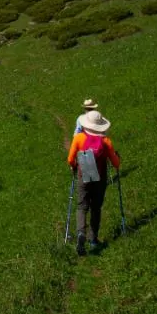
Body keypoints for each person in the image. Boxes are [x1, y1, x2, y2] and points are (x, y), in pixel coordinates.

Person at [67, 109, 121, 256]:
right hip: (100, 177)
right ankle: (93, 239)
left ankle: (80, 233)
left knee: (82, 205)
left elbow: (70, 159)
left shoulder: (78, 138)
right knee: (96, 207)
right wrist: (118, 159)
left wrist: (73, 166)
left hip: (83, 173)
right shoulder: (106, 141)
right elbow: (116, 163)